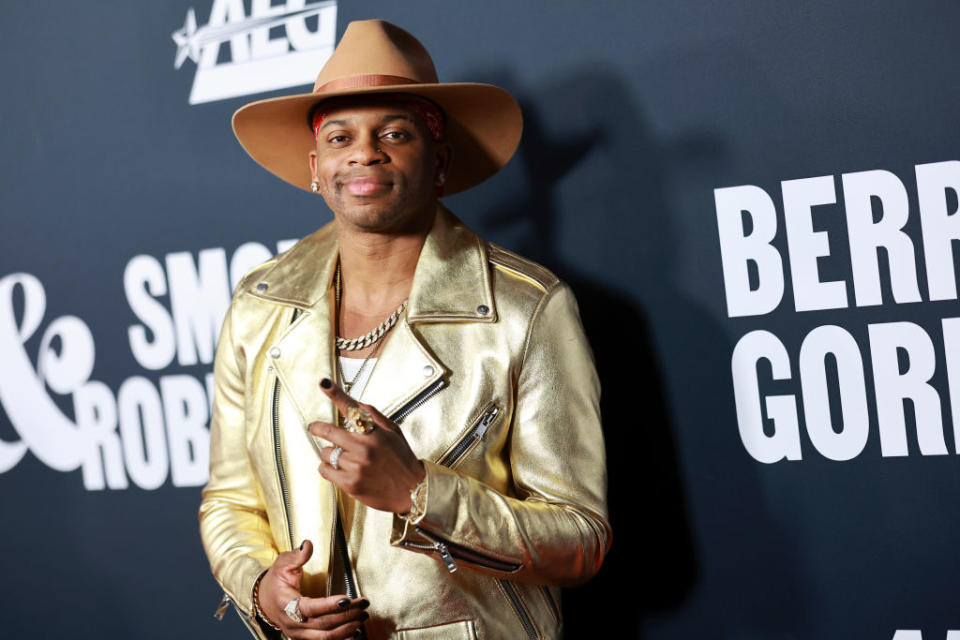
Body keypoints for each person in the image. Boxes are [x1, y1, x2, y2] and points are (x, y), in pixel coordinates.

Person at [200, 19, 610, 640]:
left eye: (394, 133)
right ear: (317, 166)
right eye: (341, 137)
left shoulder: (527, 308)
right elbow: (229, 502)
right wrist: (263, 589)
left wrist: (419, 493)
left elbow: (581, 537)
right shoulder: (259, 305)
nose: (365, 153)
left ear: (439, 159)